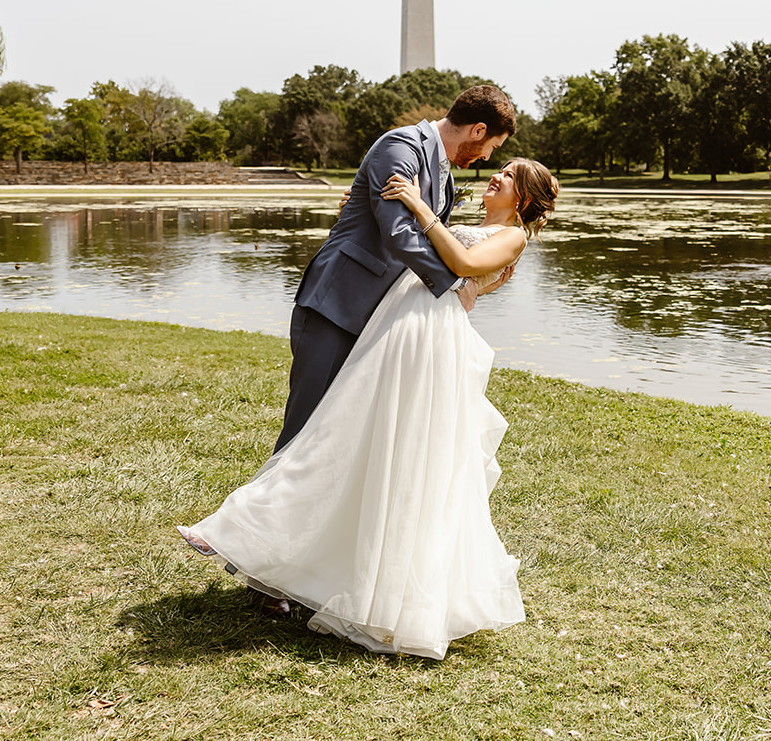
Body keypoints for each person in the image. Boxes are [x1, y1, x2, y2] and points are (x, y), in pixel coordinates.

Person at [178, 157, 560, 659]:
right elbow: (415, 251)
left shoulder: (512, 238)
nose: (497, 176)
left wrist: (419, 207)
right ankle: (253, 537)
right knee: (343, 436)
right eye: (500, 168)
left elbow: (462, 267)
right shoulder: (467, 217)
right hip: (400, 323)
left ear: (524, 200)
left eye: (509, 176)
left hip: (427, 334)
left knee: (372, 442)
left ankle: (356, 581)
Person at [273, 85, 516, 453]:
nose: (486, 157)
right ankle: (264, 509)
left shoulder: (444, 176)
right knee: (305, 429)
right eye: (492, 147)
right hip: (339, 305)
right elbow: (398, 232)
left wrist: (478, 284)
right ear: (478, 130)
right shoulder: (400, 147)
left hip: (380, 319)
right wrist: (455, 283)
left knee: (340, 436)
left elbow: (431, 238)